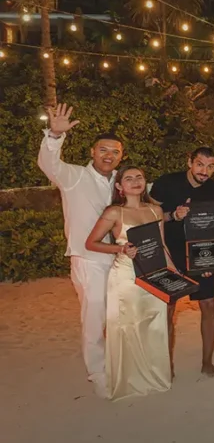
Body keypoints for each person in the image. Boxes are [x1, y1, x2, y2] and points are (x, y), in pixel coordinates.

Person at [37, 103, 122, 398]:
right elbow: (49, 165)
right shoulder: (73, 176)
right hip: (89, 259)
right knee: (94, 316)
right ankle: (97, 373)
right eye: (103, 150)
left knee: (118, 315)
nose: (109, 155)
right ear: (92, 152)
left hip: (120, 259)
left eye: (115, 152)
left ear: (121, 156)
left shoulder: (121, 182)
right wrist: (54, 136)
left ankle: (117, 364)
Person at [84, 166, 171, 401]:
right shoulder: (114, 212)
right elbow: (91, 243)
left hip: (153, 274)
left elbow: (162, 245)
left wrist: (173, 272)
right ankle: (129, 381)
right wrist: (120, 249)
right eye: (129, 178)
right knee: (128, 326)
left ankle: (154, 377)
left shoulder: (155, 210)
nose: (135, 181)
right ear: (119, 186)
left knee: (154, 325)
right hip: (126, 277)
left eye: (139, 177)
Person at [150, 147, 214, 378]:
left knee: (209, 304)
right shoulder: (166, 183)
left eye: (210, 166)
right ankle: (167, 365)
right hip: (170, 253)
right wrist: (173, 215)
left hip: (201, 255)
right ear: (189, 162)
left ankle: (207, 362)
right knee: (168, 306)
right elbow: (148, 216)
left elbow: (213, 226)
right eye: (200, 164)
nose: (204, 171)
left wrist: (211, 260)